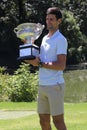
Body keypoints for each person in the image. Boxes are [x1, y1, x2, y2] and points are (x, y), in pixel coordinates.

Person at [25, 7, 68, 130]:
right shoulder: (44, 38)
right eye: (47, 19)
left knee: (58, 121)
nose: (48, 22)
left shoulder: (60, 40)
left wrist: (40, 64)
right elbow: (41, 59)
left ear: (59, 21)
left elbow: (61, 65)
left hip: (55, 86)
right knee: (43, 121)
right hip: (42, 85)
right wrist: (31, 58)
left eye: (52, 19)